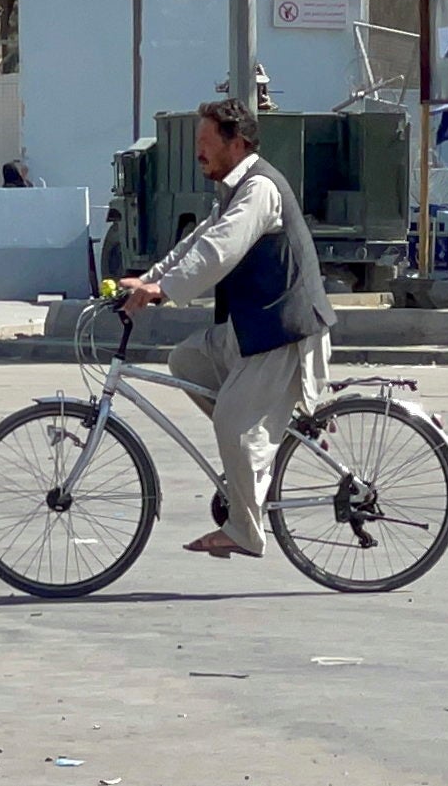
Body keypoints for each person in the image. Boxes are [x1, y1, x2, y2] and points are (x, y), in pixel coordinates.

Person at [120, 98, 335, 560]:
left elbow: (220, 250)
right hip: (249, 330)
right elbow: (196, 242)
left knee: (234, 426)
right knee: (186, 361)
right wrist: (149, 278)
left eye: (205, 143)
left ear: (236, 144)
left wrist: (164, 291)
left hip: (282, 332)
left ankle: (245, 527)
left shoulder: (258, 190)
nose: (199, 152)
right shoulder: (233, 190)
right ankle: (259, 448)